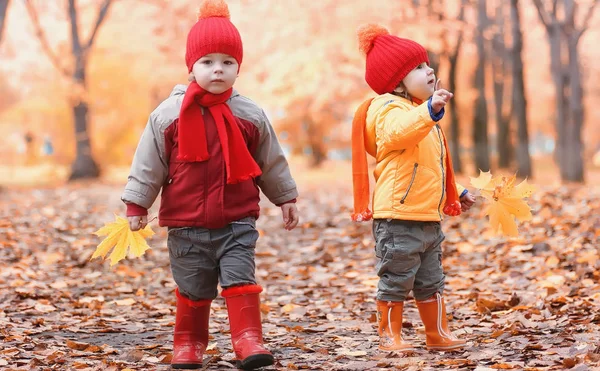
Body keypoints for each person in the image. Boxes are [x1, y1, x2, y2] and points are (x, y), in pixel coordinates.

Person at [121, 0, 299, 368]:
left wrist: (285, 197)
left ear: (238, 68)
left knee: (240, 279)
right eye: (207, 62)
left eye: (227, 62)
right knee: (193, 288)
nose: (217, 69)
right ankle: (188, 342)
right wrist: (138, 204)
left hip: (236, 220)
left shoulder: (249, 113)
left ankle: (248, 340)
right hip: (186, 224)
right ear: (191, 67)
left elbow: (270, 160)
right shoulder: (168, 115)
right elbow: (148, 162)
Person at [351, 24, 476, 352]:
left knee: (431, 280)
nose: (429, 69)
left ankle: (437, 334)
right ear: (397, 81)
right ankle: (389, 335)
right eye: (418, 68)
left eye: (427, 63)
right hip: (397, 218)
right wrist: (430, 110)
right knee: (396, 278)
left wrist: (456, 190)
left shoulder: (423, 116)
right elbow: (398, 134)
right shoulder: (388, 109)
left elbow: (431, 166)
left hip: (428, 218)